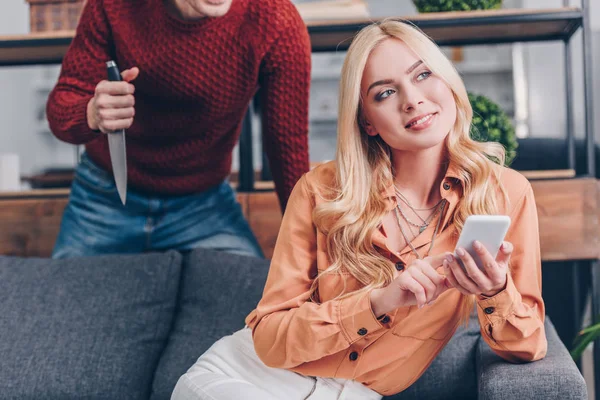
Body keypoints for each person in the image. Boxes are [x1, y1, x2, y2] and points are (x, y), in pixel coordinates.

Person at [170, 19, 547, 400]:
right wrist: (379, 301)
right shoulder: (321, 191)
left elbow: (528, 345)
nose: (412, 99)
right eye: (384, 93)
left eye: (422, 75)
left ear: (447, 80)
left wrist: (495, 291)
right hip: (245, 378)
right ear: (367, 120)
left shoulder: (504, 195)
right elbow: (268, 338)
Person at [46, 0, 311, 259]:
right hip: (105, 196)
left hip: (205, 206)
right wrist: (91, 113)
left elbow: (287, 146)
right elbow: (61, 110)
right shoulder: (112, 6)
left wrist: (309, 246)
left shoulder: (276, 20)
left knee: (246, 293)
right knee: (62, 298)